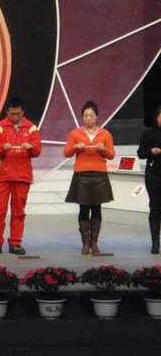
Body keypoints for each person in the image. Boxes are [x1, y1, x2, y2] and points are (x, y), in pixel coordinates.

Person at [0, 97, 42, 255]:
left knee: (18, 212)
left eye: (18, 113)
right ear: (7, 112)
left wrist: (31, 147)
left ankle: (15, 243)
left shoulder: (31, 128)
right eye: (12, 114)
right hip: (3, 176)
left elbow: (38, 150)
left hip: (23, 176)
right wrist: (2, 148)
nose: (15, 117)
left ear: (23, 111)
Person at [64, 100, 115, 255]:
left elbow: (111, 155)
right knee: (84, 208)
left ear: (97, 117)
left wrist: (104, 149)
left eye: (91, 115)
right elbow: (66, 153)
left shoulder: (105, 134)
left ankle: (94, 242)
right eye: (85, 116)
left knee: (97, 208)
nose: (88, 118)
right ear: (82, 117)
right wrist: (75, 147)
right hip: (82, 174)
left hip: (99, 174)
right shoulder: (75, 133)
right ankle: (85, 243)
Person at [137, 104, 161, 254]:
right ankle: (155, 241)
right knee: (155, 208)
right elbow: (140, 153)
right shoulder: (148, 133)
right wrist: (151, 151)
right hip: (154, 175)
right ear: (157, 118)